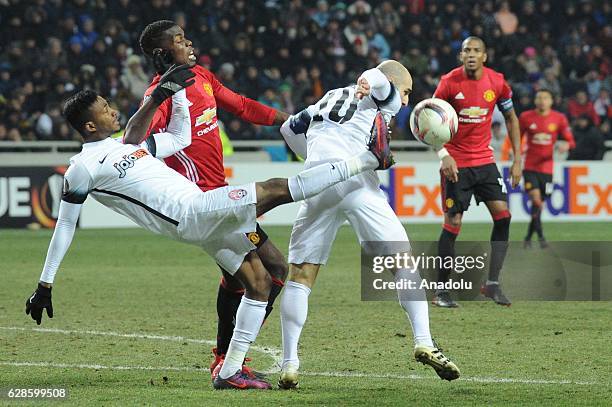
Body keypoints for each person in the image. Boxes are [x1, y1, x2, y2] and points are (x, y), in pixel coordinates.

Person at [24, 66, 394, 390]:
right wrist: (45, 284)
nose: (111, 109)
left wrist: (178, 93)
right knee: (276, 189)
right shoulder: (82, 168)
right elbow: (66, 225)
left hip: (203, 218)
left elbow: (181, 136)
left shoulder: (131, 147)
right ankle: (366, 159)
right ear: (89, 125)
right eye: (104, 109)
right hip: (195, 212)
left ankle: (230, 369)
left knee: (262, 281)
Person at [277, 60, 460, 389]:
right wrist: (369, 82)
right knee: (403, 264)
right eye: (405, 92)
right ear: (394, 84)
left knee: (301, 275)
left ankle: (289, 363)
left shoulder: (326, 99)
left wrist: (317, 161)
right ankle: (424, 341)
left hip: (317, 181)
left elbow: (288, 129)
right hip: (356, 182)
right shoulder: (383, 97)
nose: (405, 101)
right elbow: (378, 78)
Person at [126, 20, 290, 379]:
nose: (189, 43)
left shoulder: (201, 75)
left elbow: (244, 106)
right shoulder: (161, 93)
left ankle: (228, 355)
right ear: (163, 52)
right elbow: (136, 142)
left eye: (186, 37)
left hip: (223, 197)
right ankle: (231, 362)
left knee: (262, 274)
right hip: (202, 204)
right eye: (180, 40)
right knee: (266, 275)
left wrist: (291, 121)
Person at [432, 37, 522, 308]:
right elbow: (429, 119)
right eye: (467, 51)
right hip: (456, 163)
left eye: (476, 50)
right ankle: (441, 291)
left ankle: (492, 284)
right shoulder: (449, 82)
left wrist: (518, 160)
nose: (471, 55)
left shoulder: (497, 82)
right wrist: (443, 154)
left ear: (485, 55)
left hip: (485, 161)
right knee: (454, 222)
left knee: (504, 217)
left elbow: (511, 118)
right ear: (461, 55)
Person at [519, 89, 575, 248]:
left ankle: (528, 238)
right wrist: (516, 152)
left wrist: (566, 145)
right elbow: (516, 137)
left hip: (548, 169)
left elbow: (571, 140)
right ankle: (542, 238)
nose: (542, 100)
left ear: (551, 101)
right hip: (530, 167)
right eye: (539, 97)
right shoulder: (525, 117)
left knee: (539, 205)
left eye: (545, 97)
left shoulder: (559, 118)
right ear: (535, 100)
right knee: (536, 201)